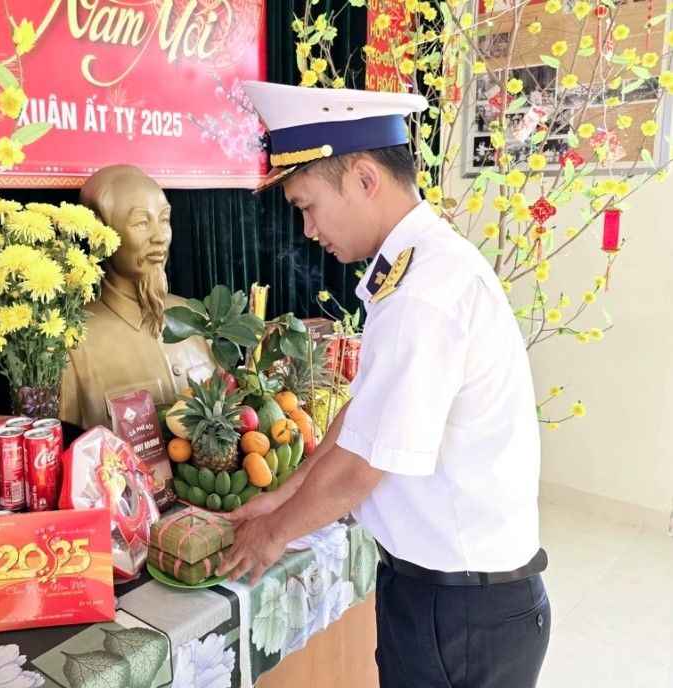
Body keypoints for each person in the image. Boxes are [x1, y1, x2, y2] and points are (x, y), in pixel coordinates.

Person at [215, 82, 550, 687]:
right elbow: (362, 418)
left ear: (365, 178)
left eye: (307, 206)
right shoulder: (414, 271)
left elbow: (361, 469)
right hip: (444, 593)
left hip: (462, 609)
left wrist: (271, 536)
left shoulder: (424, 292)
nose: (309, 228)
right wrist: (285, 495)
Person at [58, 164, 215, 430]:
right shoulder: (73, 342)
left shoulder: (196, 318)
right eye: (142, 222)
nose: (160, 236)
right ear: (101, 234)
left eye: (164, 219)